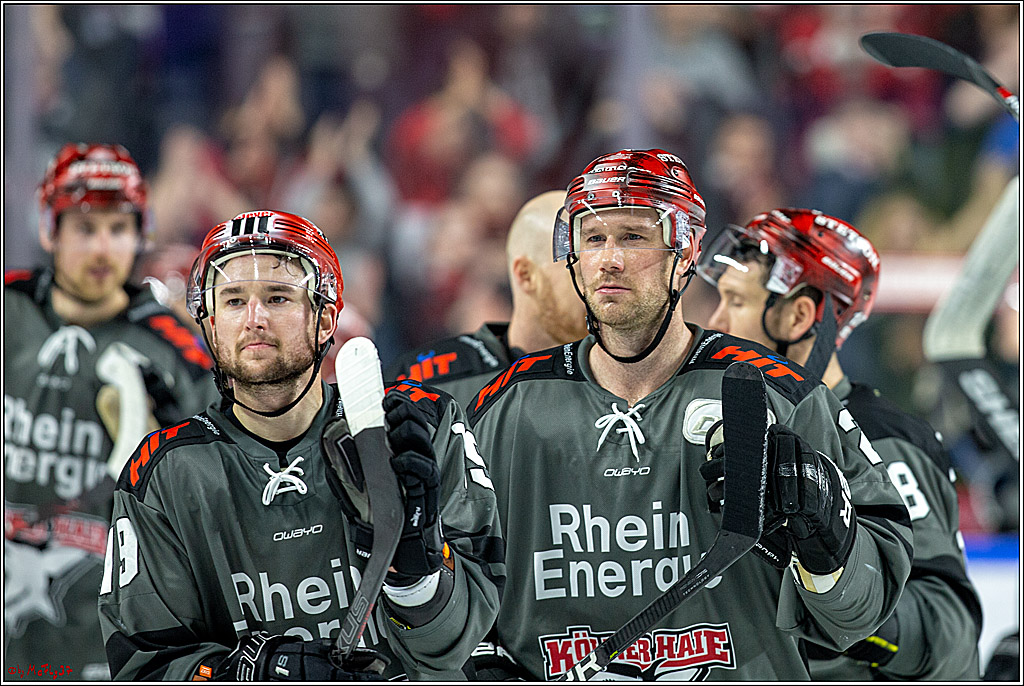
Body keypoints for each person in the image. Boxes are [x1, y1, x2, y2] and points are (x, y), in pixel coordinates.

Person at [465, 149, 913, 680]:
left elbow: (862, 615)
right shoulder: (505, 407)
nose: (608, 258)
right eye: (593, 238)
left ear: (685, 251)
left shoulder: (784, 395)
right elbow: (446, 619)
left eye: (633, 237)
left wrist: (826, 550)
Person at [96, 210, 503, 680]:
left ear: (326, 317)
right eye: (232, 301)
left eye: (277, 297)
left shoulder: (419, 427)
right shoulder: (162, 472)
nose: (254, 319)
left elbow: (463, 648)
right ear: (207, 324)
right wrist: (255, 673)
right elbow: (146, 665)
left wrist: (416, 572)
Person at [697, 207, 982, 680]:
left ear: (798, 315)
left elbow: (947, 636)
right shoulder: (713, 429)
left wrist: (831, 566)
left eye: (736, 302)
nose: (714, 321)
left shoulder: (885, 440)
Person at [4, 143, 218, 680]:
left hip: (99, 637)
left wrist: (176, 440)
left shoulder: (175, 351)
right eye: (84, 228)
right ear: (50, 230)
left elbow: (220, 489)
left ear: (141, 233)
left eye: (119, 228)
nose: (103, 247)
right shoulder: (10, 308)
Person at [386, 190, 587, 407]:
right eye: (580, 267)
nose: (598, 284)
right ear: (527, 276)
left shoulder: (621, 377)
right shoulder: (425, 381)